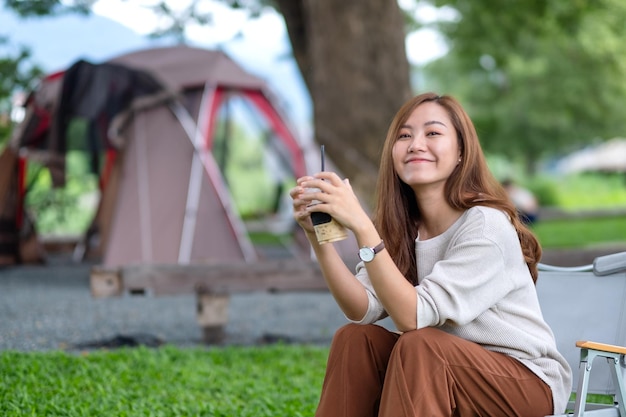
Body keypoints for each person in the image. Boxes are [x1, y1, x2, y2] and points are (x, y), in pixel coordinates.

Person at [289, 92, 572, 416]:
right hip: (437, 364)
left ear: (461, 152)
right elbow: (361, 309)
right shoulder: (402, 227)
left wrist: (363, 228)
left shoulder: (485, 225)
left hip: (524, 382)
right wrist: (319, 238)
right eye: (404, 135)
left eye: (433, 133)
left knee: (420, 344)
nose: (415, 144)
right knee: (357, 339)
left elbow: (413, 317)